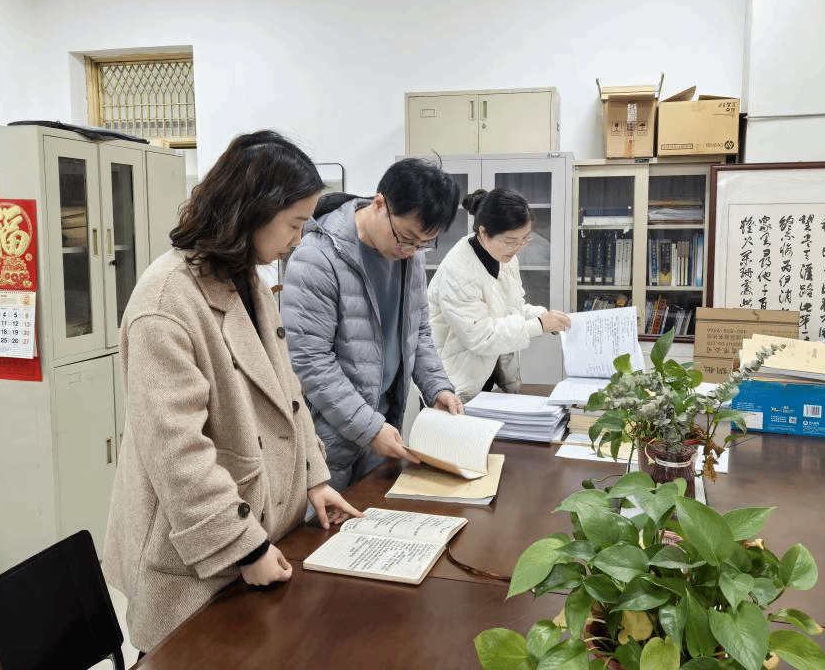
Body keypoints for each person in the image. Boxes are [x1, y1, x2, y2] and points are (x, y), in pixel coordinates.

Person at [102, 130, 361, 656]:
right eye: (294, 224)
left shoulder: (246, 278)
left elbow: (287, 390)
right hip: (197, 557)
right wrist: (244, 547)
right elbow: (178, 455)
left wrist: (315, 478)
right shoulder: (166, 302)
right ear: (253, 210)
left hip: (261, 531)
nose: (298, 240)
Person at [281, 158, 464, 491]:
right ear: (379, 204)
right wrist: (369, 428)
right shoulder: (317, 258)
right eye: (406, 238)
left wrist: (437, 387)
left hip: (382, 430)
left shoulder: (410, 256)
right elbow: (310, 362)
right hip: (328, 442)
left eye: (423, 244)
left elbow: (418, 331)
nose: (410, 251)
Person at [427, 187, 571, 401]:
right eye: (511, 241)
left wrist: (545, 316)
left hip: (484, 377)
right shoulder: (459, 271)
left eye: (525, 239)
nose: (518, 247)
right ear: (483, 233)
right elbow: (480, 336)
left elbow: (511, 307)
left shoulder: (505, 258)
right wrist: (540, 324)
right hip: (451, 386)